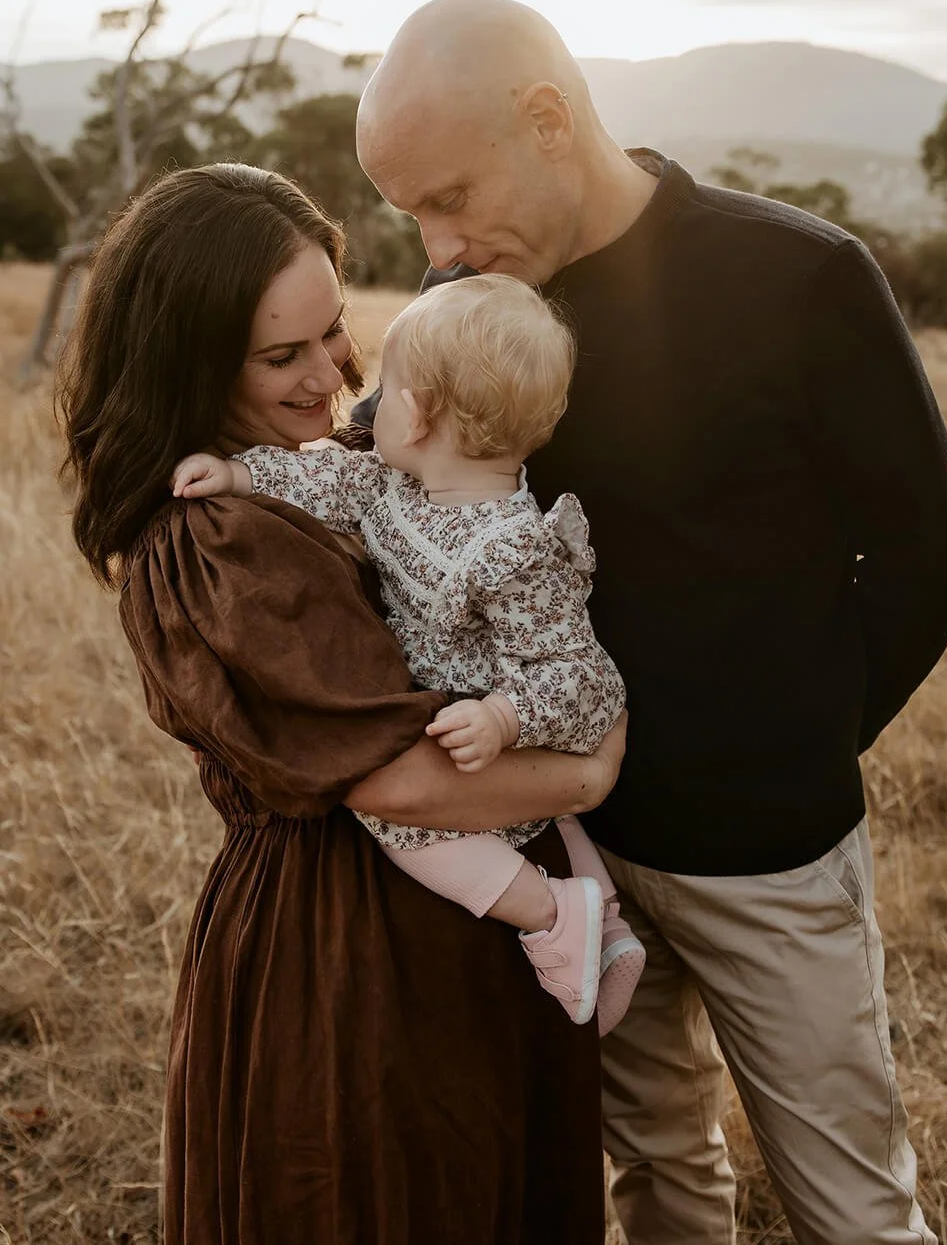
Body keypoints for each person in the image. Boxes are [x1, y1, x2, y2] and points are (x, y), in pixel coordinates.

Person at [349, 0, 947, 1245]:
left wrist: (802, 741)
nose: (439, 244)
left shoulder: (798, 273)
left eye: (452, 198)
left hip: (768, 849)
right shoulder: (471, 307)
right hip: (573, 853)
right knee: (654, 1177)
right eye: (411, 217)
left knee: (849, 1204)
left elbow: (925, 552)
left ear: (547, 120)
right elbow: (383, 468)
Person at [58, 161, 626, 1245]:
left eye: (333, 331)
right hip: (347, 957)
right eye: (282, 355)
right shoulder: (217, 539)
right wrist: (590, 768)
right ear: (188, 363)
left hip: (449, 921)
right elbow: (398, 774)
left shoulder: (338, 470)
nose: (333, 378)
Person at [171, 273, 643, 1033]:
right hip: (469, 732)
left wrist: (504, 717)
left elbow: (574, 674)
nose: (364, 403)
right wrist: (240, 473)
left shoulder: (512, 547)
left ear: (418, 415)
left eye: (386, 392)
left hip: (500, 730)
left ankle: (555, 913)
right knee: (555, 818)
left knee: (410, 832)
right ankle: (610, 929)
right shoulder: (400, 487)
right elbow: (329, 475)